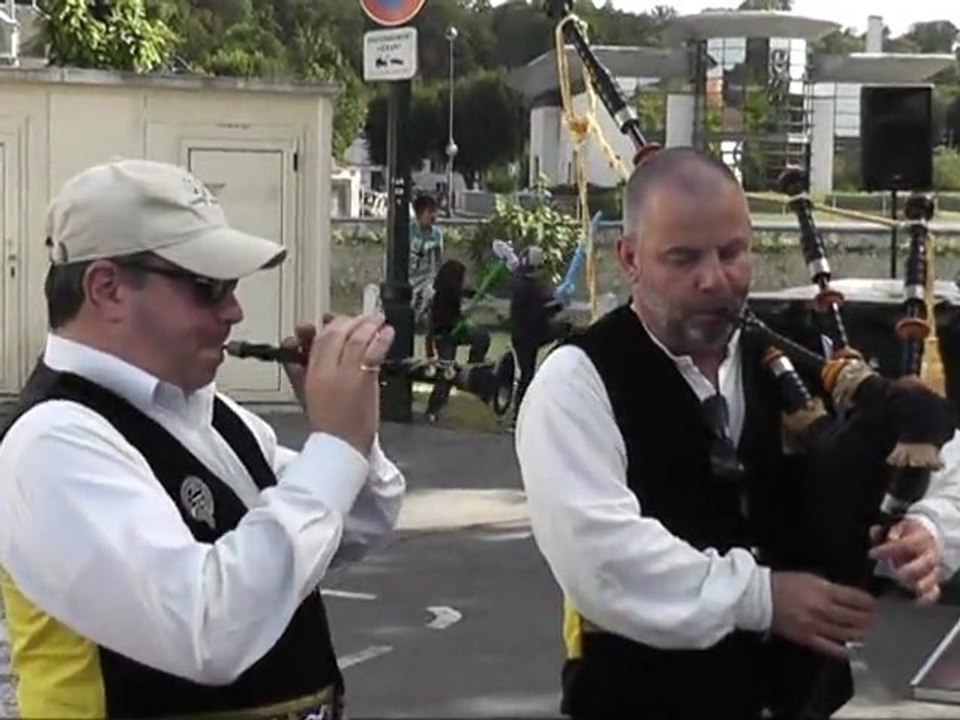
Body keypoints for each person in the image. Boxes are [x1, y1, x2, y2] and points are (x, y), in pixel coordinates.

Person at [514, 147, 960, 719]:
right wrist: (762, 598)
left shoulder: (804, 361)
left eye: (732, 253)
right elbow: (599, 554)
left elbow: (938, 449)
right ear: (630, 257)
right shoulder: (577, 380)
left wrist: (929, 528)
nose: (713, 280)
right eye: (682, 258)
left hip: (803, 700)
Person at [0, 159, 406, 719]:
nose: (234, 311)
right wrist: (335, 447)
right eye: (208, 287)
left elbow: (358, 525)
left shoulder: (210, 416)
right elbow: (207, 631)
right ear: (108, 288)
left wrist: (349, 435)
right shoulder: (52, 442)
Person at [508, 245, 572, 422]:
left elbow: (544, 307)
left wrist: (557, 303)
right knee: (527, 375)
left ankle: (560, 368)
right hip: (526, 336)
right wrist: (558, 304)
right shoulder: (526, 286)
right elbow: (537, 313)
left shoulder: (527, 283)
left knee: (566, 328)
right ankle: (519, 416)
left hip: (530, 333)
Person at [424, 259, 490, 423]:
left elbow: (464, 292)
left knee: (481, 337)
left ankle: (473, 366)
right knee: (446, 373)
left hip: (452, 332)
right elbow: (441, 321)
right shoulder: (442, 298)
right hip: (444, 335)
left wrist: (477, 294)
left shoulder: (448, 291)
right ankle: (433, 408)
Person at [409, 194, 444, 331]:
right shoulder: (409, 229)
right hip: (408, 276)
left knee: (431, 295)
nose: (433, 216)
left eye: (434, 211)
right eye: (429, 212)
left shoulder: (437, 234)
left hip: (426, 278)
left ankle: (425, 324)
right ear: (419, 214)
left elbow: (439, 260)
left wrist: (436, 279)